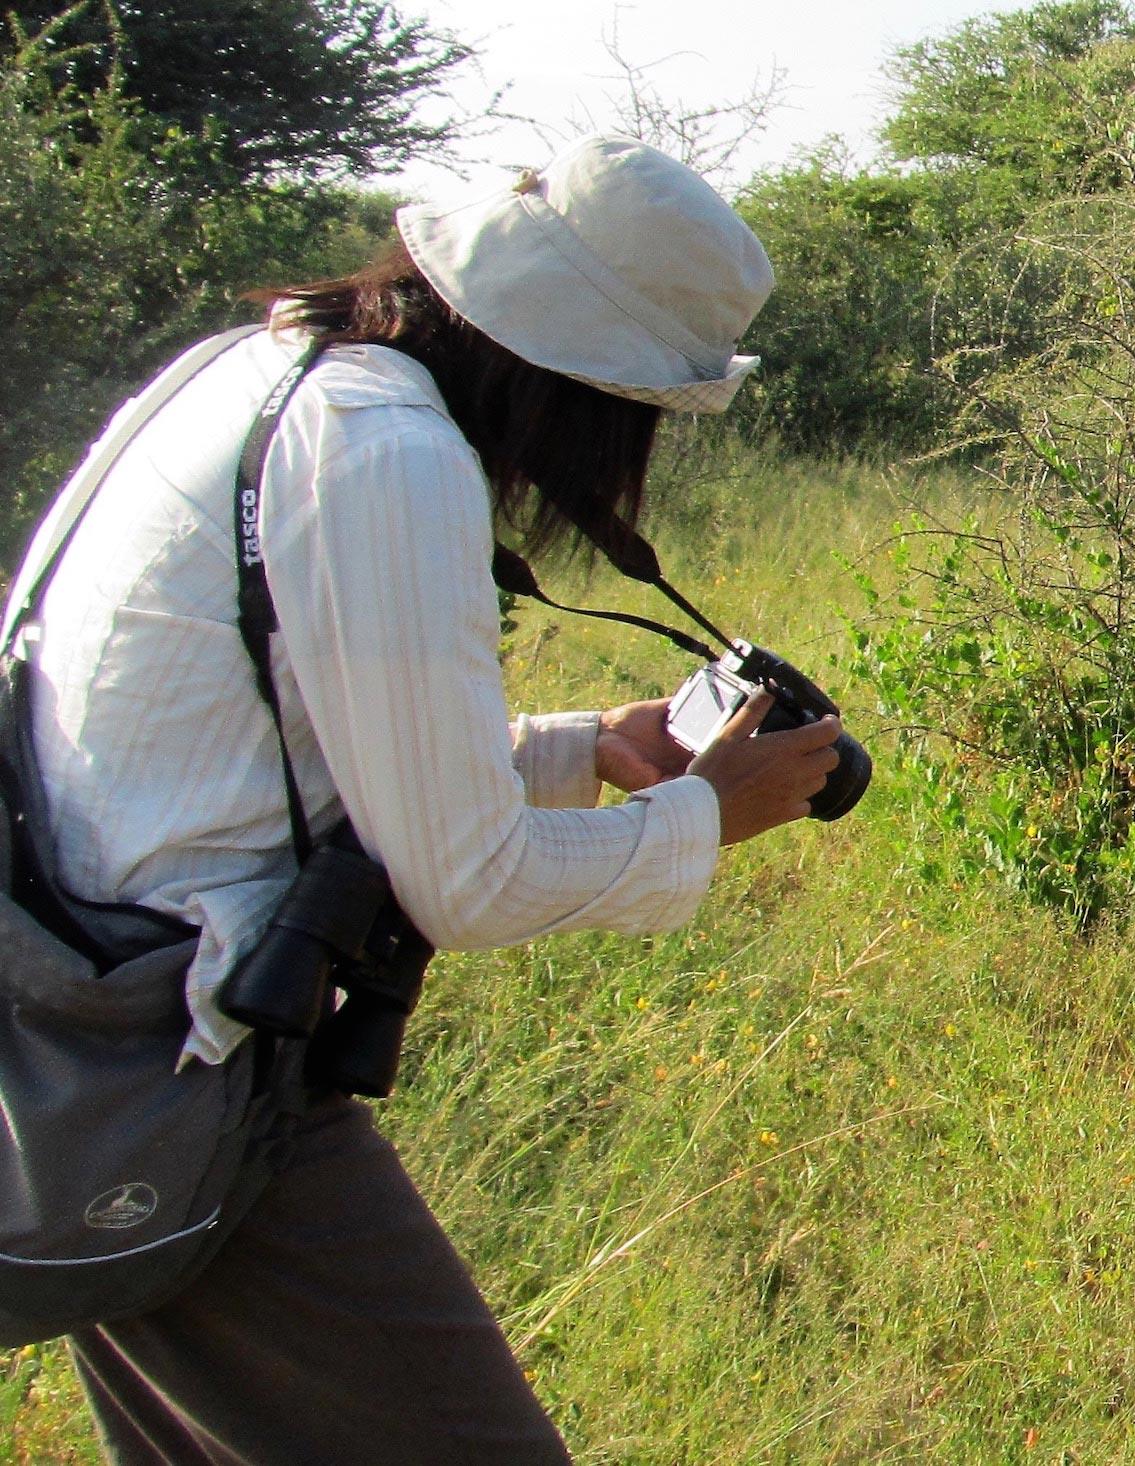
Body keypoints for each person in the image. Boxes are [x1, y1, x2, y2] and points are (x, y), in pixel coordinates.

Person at [13, 137, 843, 1463]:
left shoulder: (261, 372)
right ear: (580, 381)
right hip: (187, 1053)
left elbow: (262, 759)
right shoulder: (390, 451)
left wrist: (587, 744)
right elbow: (468, 878)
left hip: (92, 1032)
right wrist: (707, 812)